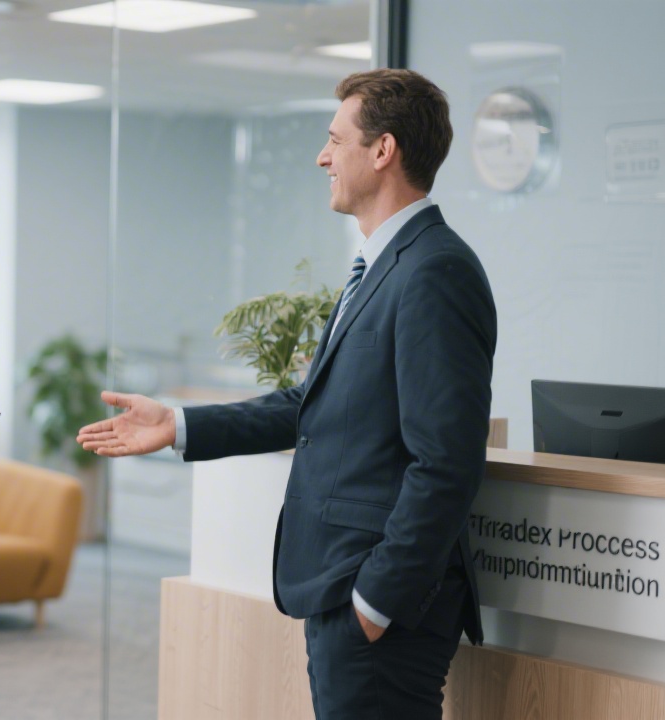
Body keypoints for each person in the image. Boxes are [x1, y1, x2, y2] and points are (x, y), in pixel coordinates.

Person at [77, 69, 497, 720]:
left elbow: (446, 460)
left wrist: (376, 601)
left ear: (383, 151)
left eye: (335, 140)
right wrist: (180, 424)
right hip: (338, 588)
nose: (322, 157)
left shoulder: (432, 271)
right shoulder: (383, 267)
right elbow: (311, 404)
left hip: (376, 599)